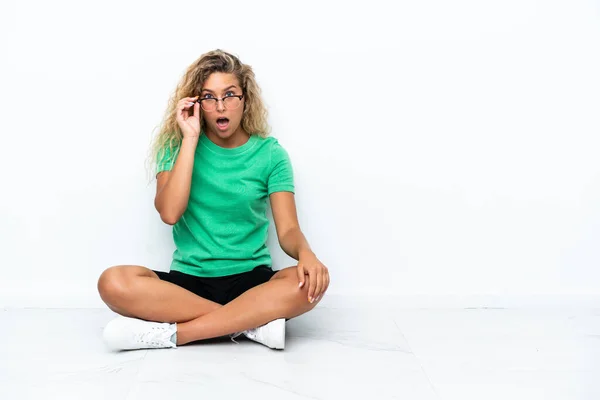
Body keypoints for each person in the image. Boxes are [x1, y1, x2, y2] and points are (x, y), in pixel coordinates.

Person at [97, 49, 330, 351]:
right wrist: (190, 140)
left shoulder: (271, 155)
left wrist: (307, 255)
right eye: (209, 97)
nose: (220, 106)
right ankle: (251, 325)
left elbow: (287, 231)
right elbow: (169, 213)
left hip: (252, 283)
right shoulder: (177, 147)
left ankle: (177, 335)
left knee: (307, 286)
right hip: (188, 284)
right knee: (112, 282)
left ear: (245, 100)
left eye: (230, 95)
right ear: (197, 103)